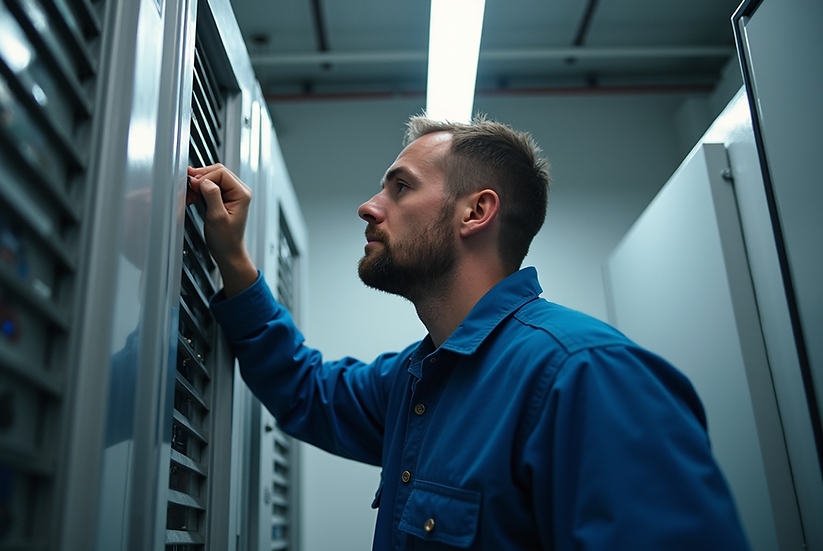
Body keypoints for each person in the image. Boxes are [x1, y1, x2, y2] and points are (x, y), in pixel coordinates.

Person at [186, 115, 751, 551]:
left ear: (475, 212)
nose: (369, 207)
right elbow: (305, 389)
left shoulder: (586, 375)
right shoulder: (415, 380)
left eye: (400, 188)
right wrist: (233, 260)